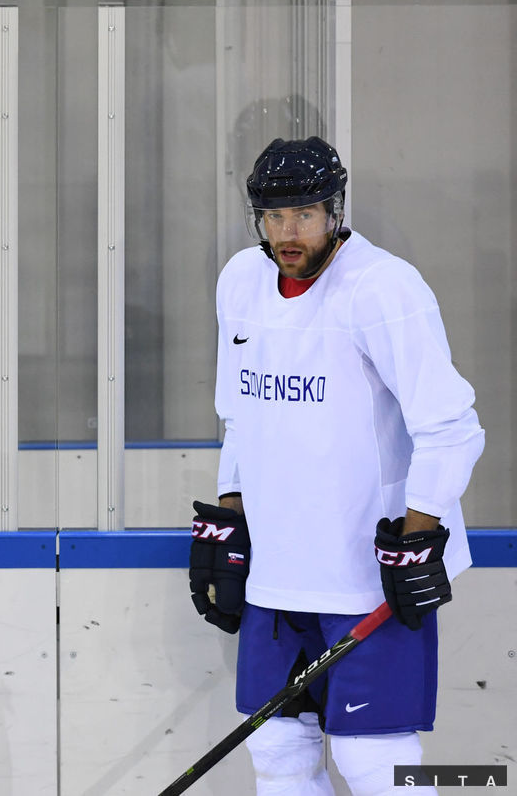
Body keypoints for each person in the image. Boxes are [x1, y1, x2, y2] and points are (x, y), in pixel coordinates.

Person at [188, 136, 485, 795]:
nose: (286, 231)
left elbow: (451, 426)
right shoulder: (241, 280)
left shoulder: (383, 289)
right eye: (273, 215)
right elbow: (240, 413)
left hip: (363, 575)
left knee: (371, 761)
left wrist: (416, 537)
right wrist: (229, 517)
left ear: (335, 210)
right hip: (279, 572)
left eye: (303, 214)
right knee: (277, 751)